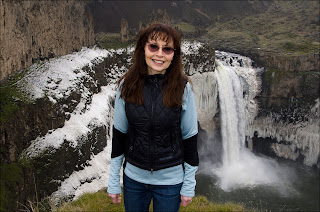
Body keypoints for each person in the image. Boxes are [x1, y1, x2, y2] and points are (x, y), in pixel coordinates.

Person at [107, 22, 199, 212]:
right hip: (134, 180)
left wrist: (189, 183)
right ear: (143, 49)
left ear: (174, 55)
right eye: (153, 46)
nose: (159, 54)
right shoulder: (126, 86)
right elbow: (119, 136)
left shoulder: (183, 88)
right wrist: (113, 180)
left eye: (167, 49)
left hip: (170, 182)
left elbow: (190, 138)